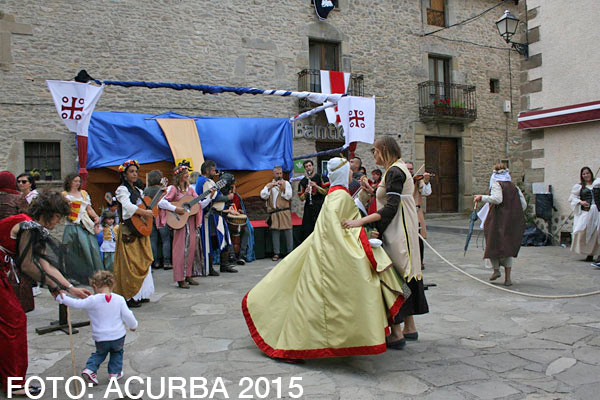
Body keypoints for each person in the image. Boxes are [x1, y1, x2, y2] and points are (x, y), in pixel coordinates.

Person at [242, 157, 407, 361]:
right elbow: (339, 229)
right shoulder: (338, 197)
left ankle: (392, 333)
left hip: (328, 250)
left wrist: (364, 201)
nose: (351, 174)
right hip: (331, 256)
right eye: (348, 171)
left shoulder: (337, 195)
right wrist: (363, 236)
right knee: (322, 297)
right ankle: (299, 343)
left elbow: (347, 219)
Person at [0, 191, 91, 397]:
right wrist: (53, 286)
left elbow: (44, 264)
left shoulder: (32, 227)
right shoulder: (28, 226)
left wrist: (69, 287)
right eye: (58, 216)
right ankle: (14, 382)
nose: (58, 222)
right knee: (14, 321)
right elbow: (28, 265)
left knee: (9, 322)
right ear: (48, 213)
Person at [343, 136, 428, 349]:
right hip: (400, 228)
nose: (373, 155)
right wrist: (372, 192)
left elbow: (391, 207)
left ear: (383, 150)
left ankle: (397, 333)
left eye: (375, 151)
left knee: (395, 277)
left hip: (398, 231)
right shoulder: (396, 170)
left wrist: (360, 222)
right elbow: (391, 199)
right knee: (406, 275)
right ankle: (410, 327)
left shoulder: (395, 171)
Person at [56, 270, 137, 385]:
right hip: (118, 336)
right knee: (117, 352)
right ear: (112, 284)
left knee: (100, 354)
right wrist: (133, 326)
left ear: (94, 285)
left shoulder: (92, 300)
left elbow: (76, 304)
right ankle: (115, 373)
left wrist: (61, 298)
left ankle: (90, 369)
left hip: (101, 337)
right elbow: (128, 315)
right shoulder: (119, 299)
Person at [157, 161, 212, 288]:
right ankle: (179, 278)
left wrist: (209, 197)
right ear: (179, 175)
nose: (187, 175)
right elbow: (161, 203)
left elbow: (199, 204)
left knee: (191, 248)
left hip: (191, 222)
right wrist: (176, 209)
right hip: (179, 223)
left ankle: (189, 275)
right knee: (180, 251)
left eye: (187, 173)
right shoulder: (173, 189)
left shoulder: (190, 190)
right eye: (185, 173)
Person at [474, 163, 527, 287]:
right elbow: (523, 205)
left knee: (492, 244)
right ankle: (507, 278)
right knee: (507, 247)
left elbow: (497, 199)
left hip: (497, 220)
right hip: (510, 221)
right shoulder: (514, 187)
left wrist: (482, 197)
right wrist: (513, 213)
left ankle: (496, 270)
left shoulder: (497, 184)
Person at [112, 160, 155, 308]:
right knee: (130, 264)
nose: (135, 174)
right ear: (124, 174)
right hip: (128, 231)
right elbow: (128, 206)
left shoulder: (138, 189)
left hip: (139, 229)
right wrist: (144, 212)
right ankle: (129, 295)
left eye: (136, 171)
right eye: (131, 171)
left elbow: (144, 205)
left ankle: (141, 293)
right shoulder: (121, 190)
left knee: (142, 261)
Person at [196, 160, 238, 275]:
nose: (215, 173)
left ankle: (224, 265)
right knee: (211, 241)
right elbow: (214, 197)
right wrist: (228, 197)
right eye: (213, 170)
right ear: (208, 170)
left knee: (224, 238)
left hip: (217, 215)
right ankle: (210, 267)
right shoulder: (205, 182)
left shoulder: (205, 181)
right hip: (211, 216)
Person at [62, 173, 104, 284]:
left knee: (90, 249)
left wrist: (96, 217)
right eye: (75, 181)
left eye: (79, 181)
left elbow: (89, 208)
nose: (77, 183)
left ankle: (93, 276)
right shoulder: (64, 195)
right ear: (69, 181)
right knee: (72, 251)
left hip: (84, 224)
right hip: (71, 225)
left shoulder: (84, 194)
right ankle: (74, 277)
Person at [260, 166, 293, 261]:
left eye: (280, 173)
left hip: (284, 211)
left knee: (288, 232)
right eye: (277, 173)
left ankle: (290, 252)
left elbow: (289, 196)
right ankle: (276, 253)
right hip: (274, 212)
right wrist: (268, 187)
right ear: (273, 174)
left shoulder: (286, 183)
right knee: (275, 233)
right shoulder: (270, 185)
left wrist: (283, 189)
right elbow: (263, 195)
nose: (279, 175)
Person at [569, 167, 600, 264]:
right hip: (586, 212)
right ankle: (589, 253)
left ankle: (598, 254)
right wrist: (581, 202)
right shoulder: (579, 187)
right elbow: (572, 198)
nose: (586, 175)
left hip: (598, 211)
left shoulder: (597, 184)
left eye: (587, 173)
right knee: (584, 232)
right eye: (584, 174)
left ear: (591, 173)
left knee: (597, 233)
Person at [144, 170, 172, 270]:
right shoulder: (162, 189)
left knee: (153, 239)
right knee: (165, 240)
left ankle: (155, 262)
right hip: (161, 216)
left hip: (150, 216)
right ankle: (167, 262)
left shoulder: (146, 190)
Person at [406, 162, 432, 270]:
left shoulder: (418, 180)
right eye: (408, 169)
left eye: (411, 169)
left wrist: (426, 181)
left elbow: (426, 192)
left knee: (419, 237)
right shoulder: (401, 180)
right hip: (406, 211)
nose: (410, 171)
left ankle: (420, 261)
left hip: (416, 211)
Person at [298, 159, 329, 242]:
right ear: (305, 169)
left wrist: (316, 186)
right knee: (308, 228)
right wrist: (305, 193)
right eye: (306, 167)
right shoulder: (303, 181)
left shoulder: (321, 177)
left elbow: (326, 192)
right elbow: (301, 198)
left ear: (313, 166)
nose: (308, 168)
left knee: (321, 226)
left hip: (320, 205)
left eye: (310, 166)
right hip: (309, 207)